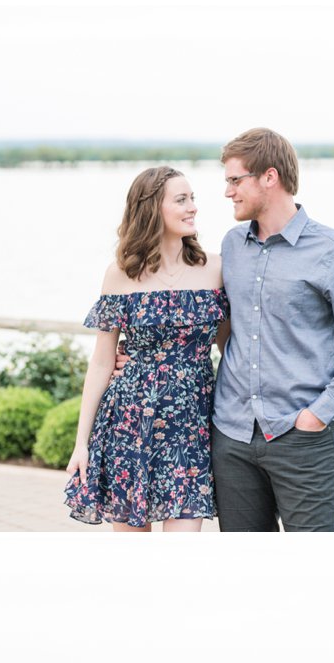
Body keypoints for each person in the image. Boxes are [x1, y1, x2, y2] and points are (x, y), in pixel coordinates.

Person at [211, 127, 334, 531]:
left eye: (235, 180)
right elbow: (220, 322)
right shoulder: (232, 245)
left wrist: (319, 414)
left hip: (303, 438)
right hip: (233, 434)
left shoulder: (333, 251)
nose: (228, 192)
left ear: (269, 177)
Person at [65, 166, 230, 531]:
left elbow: (231, 349)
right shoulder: (119, 274)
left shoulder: (215, 269)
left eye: (193, 198)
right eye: (182, 199)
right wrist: (82, 443)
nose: (193, 208)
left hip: (190, 426)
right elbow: (101, 363)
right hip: (128, 422)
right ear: (153, 208)